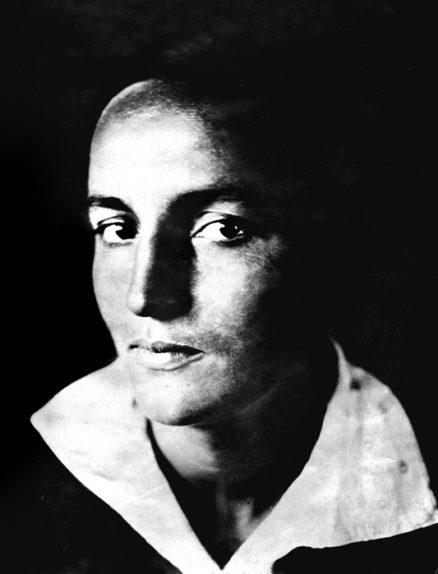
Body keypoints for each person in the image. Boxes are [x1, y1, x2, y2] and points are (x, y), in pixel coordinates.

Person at [9, 35, 438, 574]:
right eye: (118, 229)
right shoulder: (23, 492)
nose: (146, 296)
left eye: (224, 229)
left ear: (330, 246)